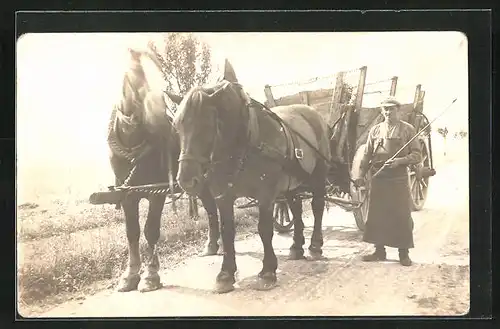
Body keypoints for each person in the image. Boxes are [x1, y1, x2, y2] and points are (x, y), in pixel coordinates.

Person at [353, 96, 422, 266]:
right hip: (379, 178)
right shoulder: (375, 130)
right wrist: (360, 176)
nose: (387, 112)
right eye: (385, 109)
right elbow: (367, 154)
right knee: (377, 214)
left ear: (398, 110)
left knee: (401, 215)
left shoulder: (408, 130)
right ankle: (379, 251)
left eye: (391, 109)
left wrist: (399, 161)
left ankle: (403, 253)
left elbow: (417, 155)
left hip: (398, 179)